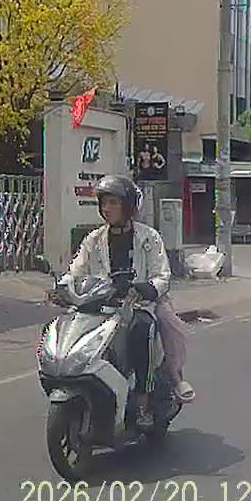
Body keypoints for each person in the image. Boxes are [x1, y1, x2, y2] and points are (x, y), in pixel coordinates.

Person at [68, 175, 193, 429]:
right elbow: (76, 271)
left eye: (113, 203)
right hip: (102, 305)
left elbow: (162, 275)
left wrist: (146, 288)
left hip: (141, 304)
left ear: (128, 206)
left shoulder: (149, 237)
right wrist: (63, 287)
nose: (107, 208)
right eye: (104, 203)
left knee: (143, 329)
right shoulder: (93, 240)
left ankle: (146, 399)